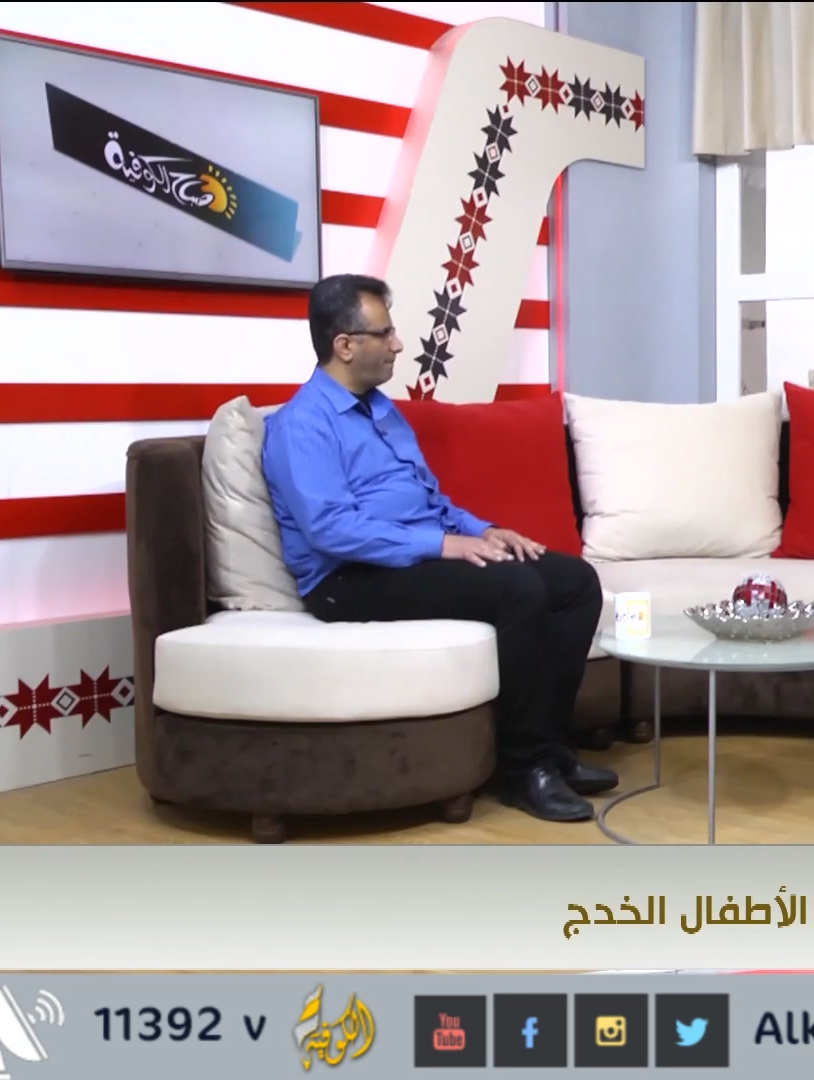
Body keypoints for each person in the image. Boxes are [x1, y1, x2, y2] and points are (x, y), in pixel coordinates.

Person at [261, 273, 615, 823]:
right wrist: (441, 545)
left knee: (575, 582)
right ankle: (524, 770)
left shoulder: (382, 411)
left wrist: (483, 530)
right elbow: (332, 529)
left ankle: (549, 747)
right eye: (385, 333)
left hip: (413, 556)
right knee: (517, 589)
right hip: (347, 579)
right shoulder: (301, 425)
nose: (399, 344)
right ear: (345, 345)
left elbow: (431, 499)